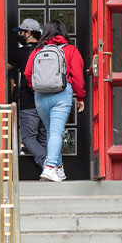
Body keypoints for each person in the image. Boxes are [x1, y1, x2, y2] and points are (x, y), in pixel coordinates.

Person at [25, 19, 85, 182]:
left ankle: (59, 169)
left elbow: (28, 73)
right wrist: (80, 96)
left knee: (52, 132)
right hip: (61, 94)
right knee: (56, 132)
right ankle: (50, 167)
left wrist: (37, 87)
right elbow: (78, 76)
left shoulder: (37, 50)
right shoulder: (71, 50)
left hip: (40, 96)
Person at [7, 18, 47, 171]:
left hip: (29, 101)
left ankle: (49, 165)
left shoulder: (22, 52)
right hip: (48, 101)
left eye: (21, 32)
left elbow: (2, 67)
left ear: (28, 33)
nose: (20, 35)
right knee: (43, 138)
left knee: (28, 138)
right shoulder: (45, 50)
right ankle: (48, 171)